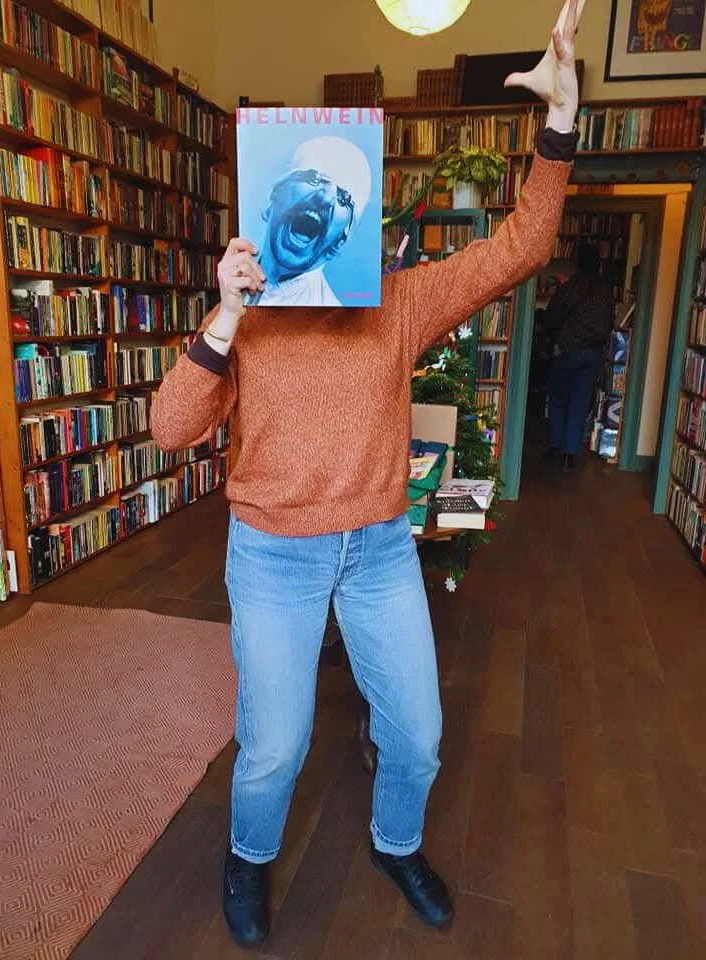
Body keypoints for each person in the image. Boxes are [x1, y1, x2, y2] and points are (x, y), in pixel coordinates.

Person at [151, 0, 584, 947]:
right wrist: (222, 316)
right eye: (294, 201)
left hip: (379, 547)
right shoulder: (250, 308)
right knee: (275, 748)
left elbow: (523, 246)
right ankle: (250, 857)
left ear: (351, 216)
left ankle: (395, 843)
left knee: (419, 736)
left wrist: (559, 123)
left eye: (329, 205)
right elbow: (169, 429)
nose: (310, 218)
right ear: (272, 208)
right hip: (274, 554)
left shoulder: (398, 302)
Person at [248, 136, 372, 307]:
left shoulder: (335, 321)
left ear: (339, 243)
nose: (326, 198)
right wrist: (227, 310)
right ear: (276, 195)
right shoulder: (235, 288)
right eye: (314, 178)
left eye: (344, 199)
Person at [544, 239, 616, 470]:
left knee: (558, 398)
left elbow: (551, 318)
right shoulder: (606, 291)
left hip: (567, 350)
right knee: (579, 402)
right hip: (593, 353)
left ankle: (555, 446)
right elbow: (608, 323)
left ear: (577, 263)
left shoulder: (568, 288)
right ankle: (569, 455)